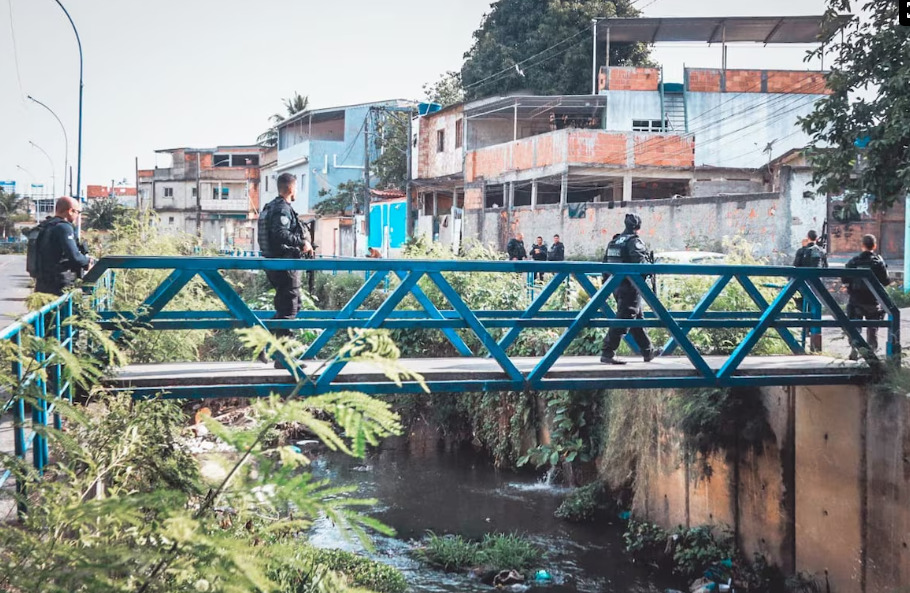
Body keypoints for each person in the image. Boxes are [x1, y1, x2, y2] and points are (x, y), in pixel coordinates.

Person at [258, 172, 313, 367]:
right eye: (296, 187)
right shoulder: (282, 209)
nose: (296, 191)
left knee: (291, 306)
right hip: (284, 266)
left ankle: (263, 343)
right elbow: (280, 233)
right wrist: (303, 243)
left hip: (277, 265)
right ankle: (284, 359)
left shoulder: (272, 206)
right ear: (291, 188)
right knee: (289, 309)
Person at [600, 213, 656, 365]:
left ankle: (648, 351)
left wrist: (606, 283)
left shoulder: (615, 240)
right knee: (625, 318)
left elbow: (605, 264)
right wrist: (651, 269)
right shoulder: (634, 241)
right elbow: (640, 264)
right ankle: (608, 351)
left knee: (635, 317)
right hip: (630, 285)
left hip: (615, 285)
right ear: (638, 227)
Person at [842, 234, 891, 360]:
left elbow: (844, 278)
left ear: (862, 245)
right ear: (874, 246)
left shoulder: (853, 261)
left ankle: (855, 348)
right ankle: (871, 354)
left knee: (854, 326)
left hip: (856, 301)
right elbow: (885, 281)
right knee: (872, 328)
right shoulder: (878, 262)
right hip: (874, 302)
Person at [33, 197, 92, 295]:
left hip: (42, 282)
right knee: (64, 310)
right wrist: (87, 262)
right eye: (78, 212)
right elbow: (75, 256)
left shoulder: (45, 226)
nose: (78, 215)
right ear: (70, 211)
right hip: (59, 284)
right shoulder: (64, 227)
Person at [792, 229, 827, 352]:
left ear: (807, 237)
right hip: (816, 284)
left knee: (802, 306)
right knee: (815, 306)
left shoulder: (801, 251)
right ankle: (814, 333)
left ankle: (804, 329)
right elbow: (826, 268)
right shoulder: (821, 251)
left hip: (803, 283)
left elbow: (795, 267)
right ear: (817, 238)